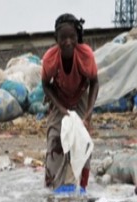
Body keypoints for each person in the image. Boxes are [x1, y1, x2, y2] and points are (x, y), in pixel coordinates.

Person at [41, 13, 99, 190]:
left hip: (80, 96)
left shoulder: (85, 55)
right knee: (55, 140)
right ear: (56, 38)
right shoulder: (50, 58)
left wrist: (88, 114)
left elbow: (94, 82)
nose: (68, 42)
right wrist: (61, 109)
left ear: (78, 37)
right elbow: (45, 85)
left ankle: (81, 188)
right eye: (63, 38)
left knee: (83, 141)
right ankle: (52, 189)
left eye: (72, 37)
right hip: (59, 98)